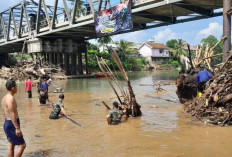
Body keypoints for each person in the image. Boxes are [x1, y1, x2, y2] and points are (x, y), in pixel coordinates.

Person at [1, 79, 26, 157]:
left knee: (12, 144)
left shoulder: (4, 97)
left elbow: (4, 113)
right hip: (12, 124)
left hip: (7, 123)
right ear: (12, 88)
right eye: (16, 86)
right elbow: (12, 114)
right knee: (22, 145)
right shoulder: (10, 99)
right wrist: (17, 128)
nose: (17, 88)